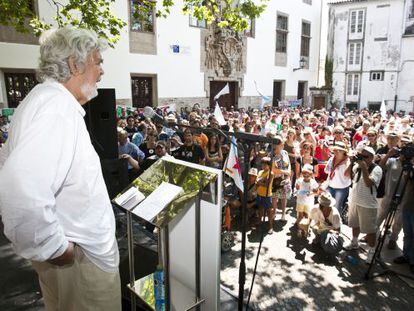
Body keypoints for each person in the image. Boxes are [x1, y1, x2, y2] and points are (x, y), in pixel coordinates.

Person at [0, 27, 121, 310]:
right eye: (98, 61)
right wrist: (57, 249)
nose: (102, 71)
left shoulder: (40, 100)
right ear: (74, 64)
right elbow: (20, 191)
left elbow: (5, 164)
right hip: (79, 262)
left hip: (74, 256)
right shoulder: (56, 108)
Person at [345, 146, 383, 263]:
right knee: (354, 224)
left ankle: (372, 252)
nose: (363, 158)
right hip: (355, 200)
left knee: (370, 230)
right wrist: (351, 162)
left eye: (365, 156)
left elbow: (368, 183)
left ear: (372, 158)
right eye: (361, 156)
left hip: (368, 205)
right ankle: (354, 242)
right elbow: (346, 175)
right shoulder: (357, 166)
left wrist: (364, 168)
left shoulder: (377, 169)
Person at [324, 141, 352, 215]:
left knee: (337, 207)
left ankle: (336, 223)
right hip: (330, 186)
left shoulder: (348, 161)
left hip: (341, 188)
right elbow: (326, 170)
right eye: (335, 150)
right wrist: (332, 168)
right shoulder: (331, 159)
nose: (336, 151)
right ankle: (328, 220)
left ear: (344, 152)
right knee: (327, 205)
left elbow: (347, 175)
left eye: (339, 150)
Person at [271, 136, 292, 221]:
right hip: (276, 179)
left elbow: (289, 164)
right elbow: (273, 169)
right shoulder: (272, 154)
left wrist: (289, 172)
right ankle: (274, 213)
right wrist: (285, 172)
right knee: (275, 197)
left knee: (284, 197)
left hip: (285, 179)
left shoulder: (285, 153)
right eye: (281, 143)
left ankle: (283, 214)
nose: (283, 145)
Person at [255, 157, 275, 234]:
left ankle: (270, 226)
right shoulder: (260, 172)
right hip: (259, 193)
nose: (263, 166)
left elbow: (266, 184)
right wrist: (261, 181)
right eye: (262, 164)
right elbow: (257, 182)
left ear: (269, 165)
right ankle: (259, 222)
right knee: (260, 209)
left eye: (265, 164)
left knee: (269, 211)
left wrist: (260, 182)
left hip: (267, 195)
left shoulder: (271, 173)